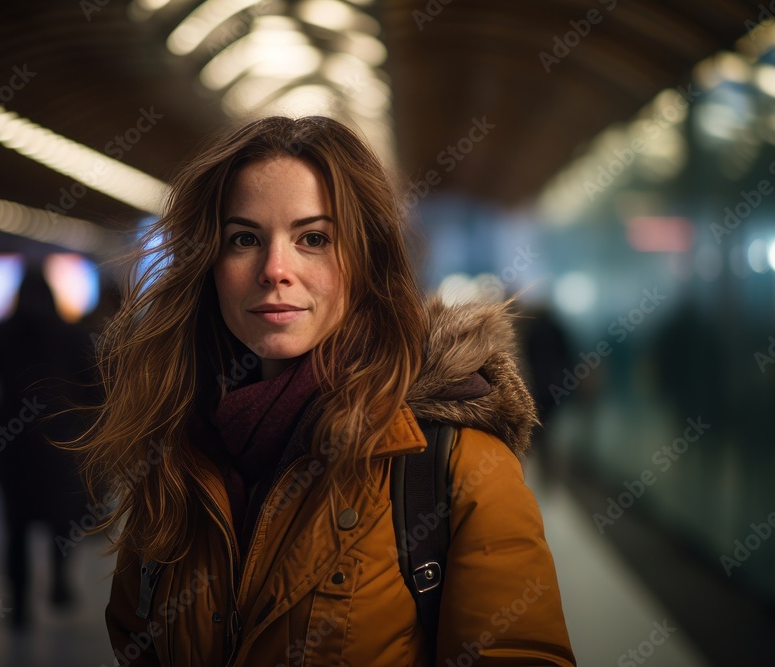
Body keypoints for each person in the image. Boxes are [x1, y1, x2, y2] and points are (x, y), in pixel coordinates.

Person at [79, 116, 576, 666]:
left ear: (366, 262)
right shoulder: (176, 452)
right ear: (210, 265)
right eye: (244, 239)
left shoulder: (450, 464)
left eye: (313, 239)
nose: (274, 269)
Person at [0, 266, 96, 627]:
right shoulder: (73, 336)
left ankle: (19, 606)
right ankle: (59, 584)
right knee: (62, 519)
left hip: (12, 445)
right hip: (61, 444)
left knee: (15, 525)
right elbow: (98, 391)